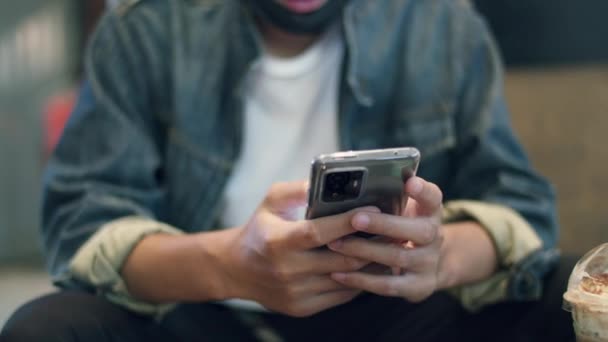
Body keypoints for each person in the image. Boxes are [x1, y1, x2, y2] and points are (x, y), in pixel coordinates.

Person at [1, 0, 575, 341]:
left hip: (390, 317)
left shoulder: (438, 23)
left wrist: (440, 257)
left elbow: (522, 210)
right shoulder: (146, 27)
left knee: (570, 298)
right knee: (46, 329)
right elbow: (82, 226)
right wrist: (228, 267)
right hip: (199, 314)